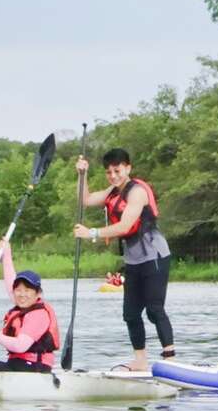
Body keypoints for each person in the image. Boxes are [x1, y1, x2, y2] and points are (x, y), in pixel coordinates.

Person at [74, 148, 175, 371]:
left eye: (117, 170)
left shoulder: (137, 192)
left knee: (154, 309)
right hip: (134, 259)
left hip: (154, 256)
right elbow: (85, 200)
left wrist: (92, 233)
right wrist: (82, 175)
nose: (113, 176)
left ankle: (170, 361)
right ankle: (140, 361)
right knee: (130, 314)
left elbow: (126, 226)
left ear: (128, 168)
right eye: (109, 172)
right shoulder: (112, 191)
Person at [0, 238, 60, 372]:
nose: (22, 294)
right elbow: (10, 283)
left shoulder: (38, 315)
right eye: (18, 290)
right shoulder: (24, 306)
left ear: (37, 294)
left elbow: (20, 346)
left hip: (34, 367)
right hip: (19, 365)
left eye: (27, 290)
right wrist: (6, 254)